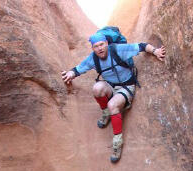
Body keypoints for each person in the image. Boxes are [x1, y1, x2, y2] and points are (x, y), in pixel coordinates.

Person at [62, 32, 166, 163]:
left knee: (113, 105)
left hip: (126, 86)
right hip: (111, 86)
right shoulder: (93, 58)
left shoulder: (117, 49)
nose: (100, 48)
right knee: (97, 88)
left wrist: (155, 51)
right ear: (93, 48)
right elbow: (78, 69)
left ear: (106, 43)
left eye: (102, 45)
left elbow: (141, 46)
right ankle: (106, 112)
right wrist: (70, 73)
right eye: (96, 46)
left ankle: (117, 142)